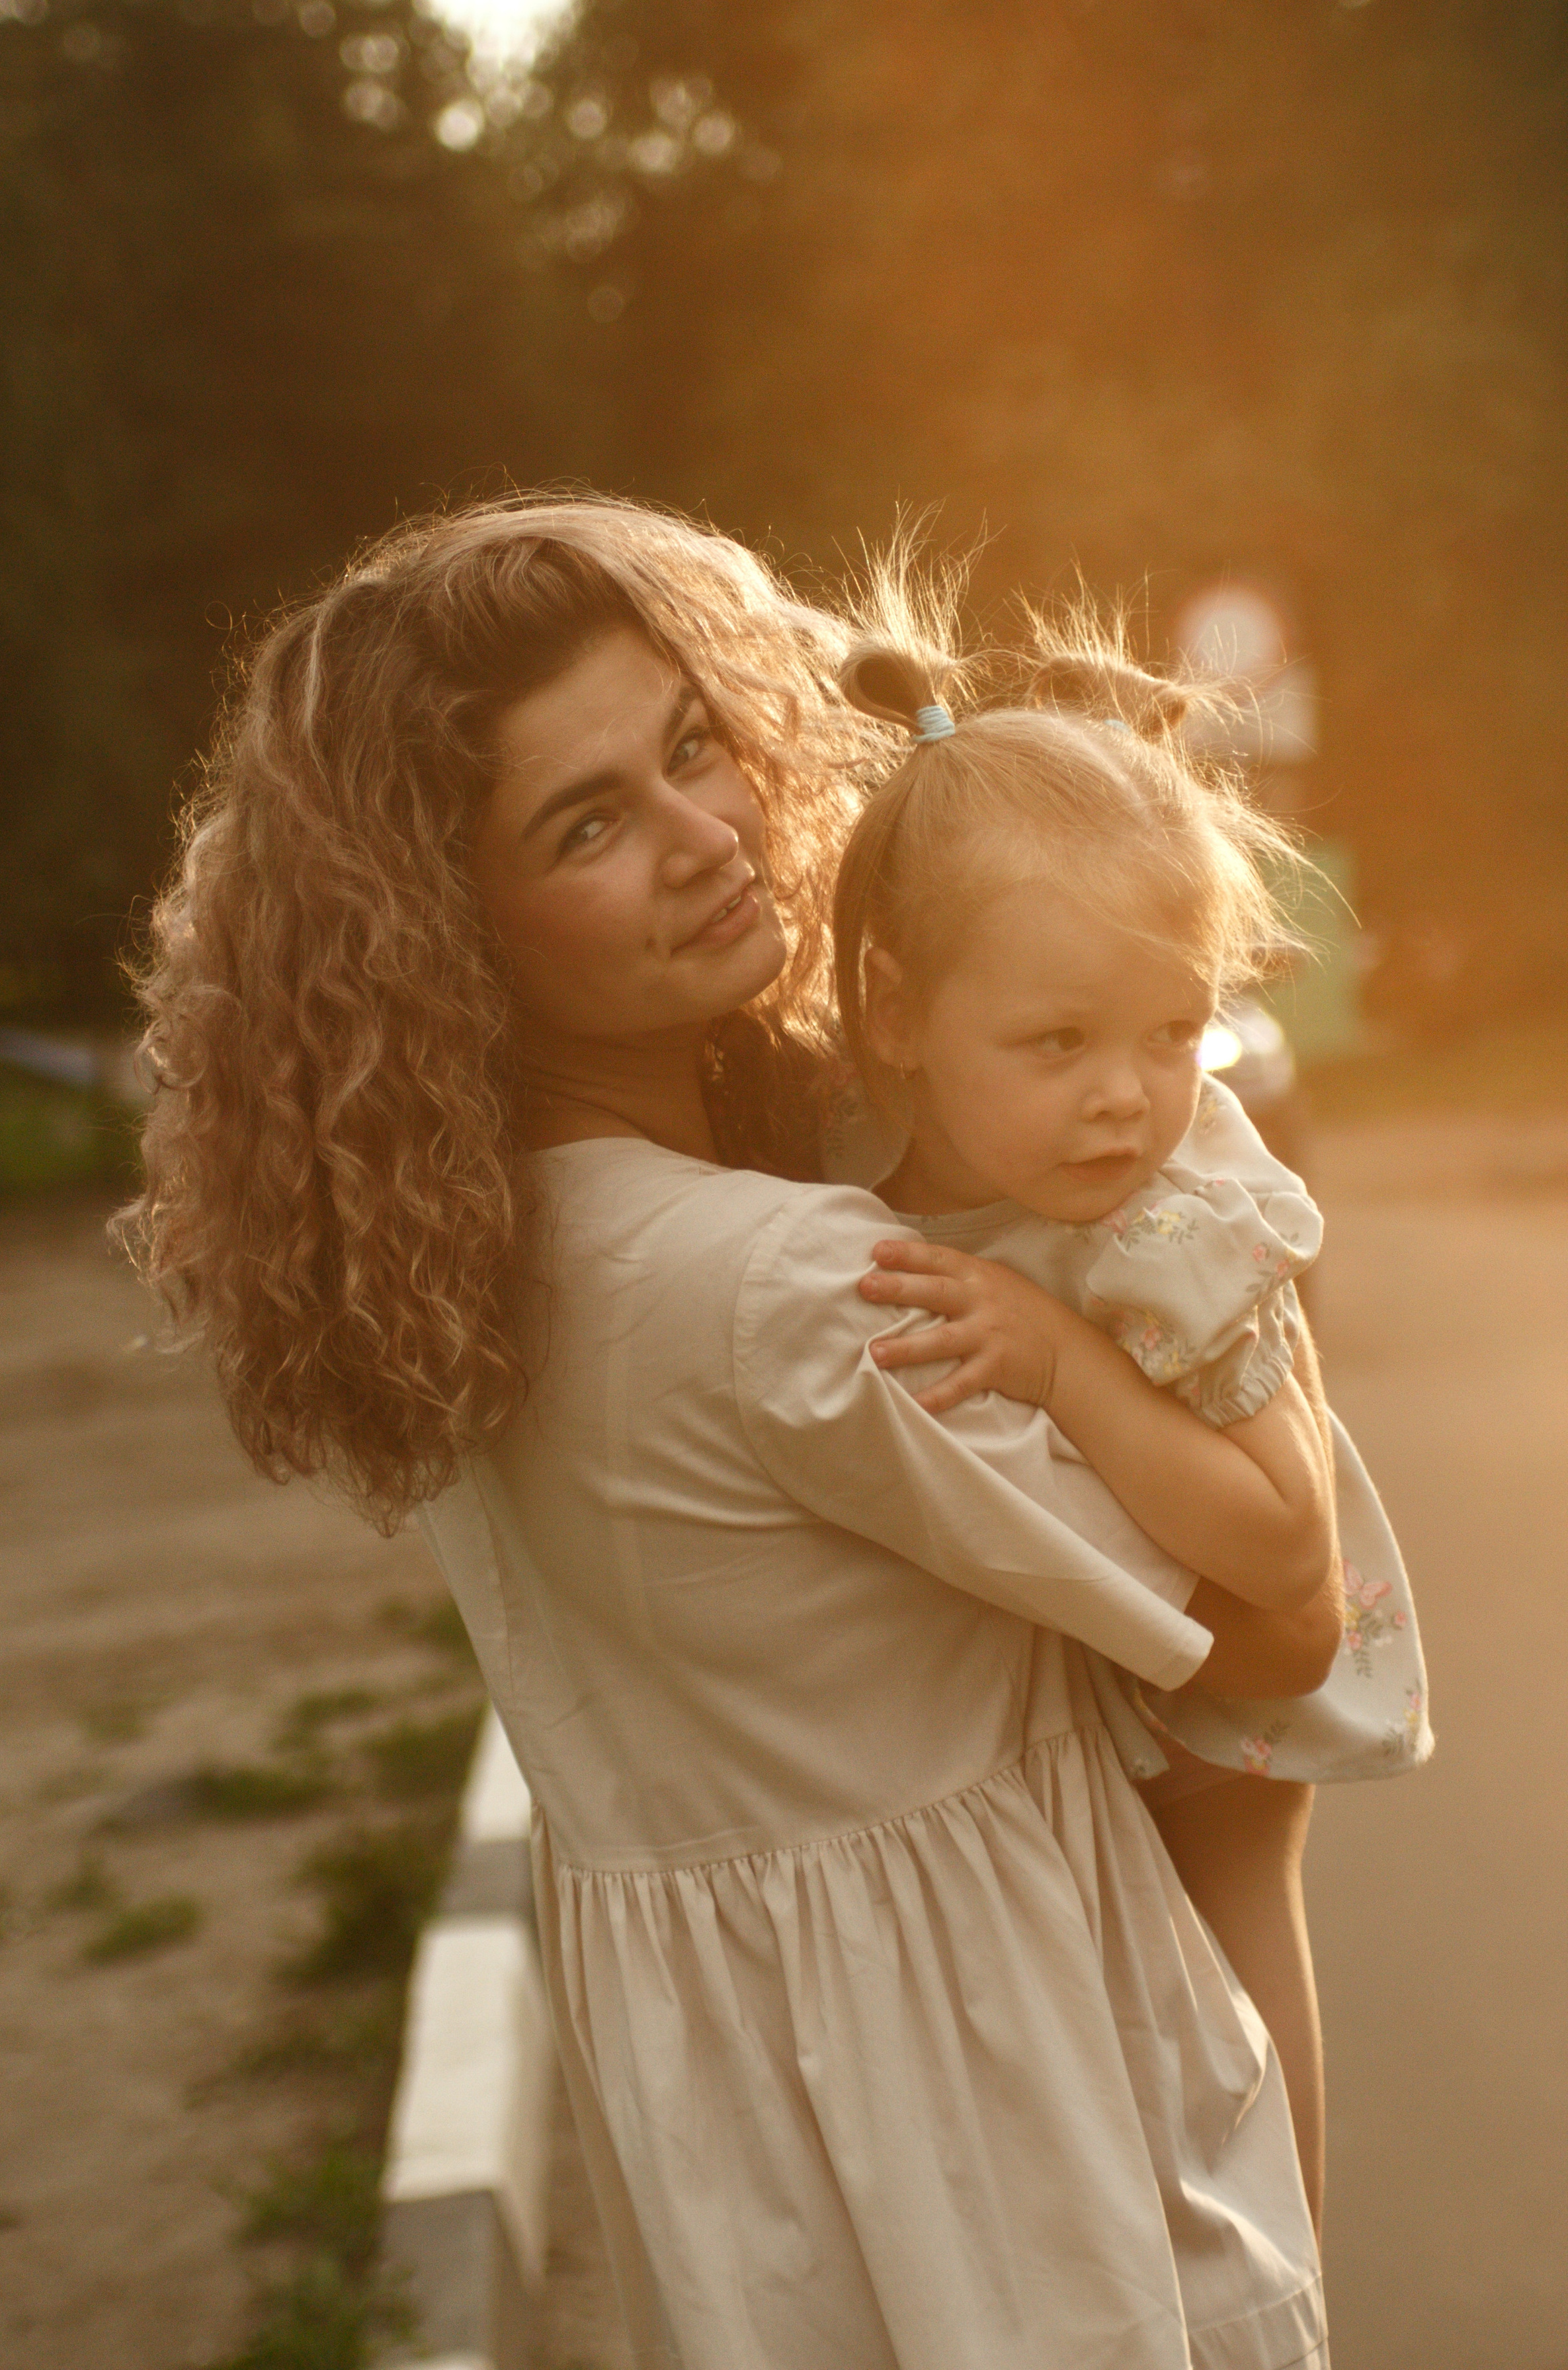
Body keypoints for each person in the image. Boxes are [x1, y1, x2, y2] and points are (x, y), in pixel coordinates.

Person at [122, 495, 1342, 2369]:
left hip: (776, 2204)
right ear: (451, 929)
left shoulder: (470, 1262)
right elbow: (1285, 1632)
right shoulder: (785, 1289)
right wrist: (1218, 1250)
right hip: (1029, 2185)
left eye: (692, 746)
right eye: (588, 823)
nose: (706, 834)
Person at [822, 624, 1432, 2231]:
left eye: (1172, 1036)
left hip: (1223, 1701)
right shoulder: (851, 1177)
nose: (1124, 1100)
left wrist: (1061, 1366)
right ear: (891, 1014)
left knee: (1237, 1987)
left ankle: (1284, 2283)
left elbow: (1280, 1538)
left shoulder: (1163, 1230)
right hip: (1070, 1686)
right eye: (1057, 1045)